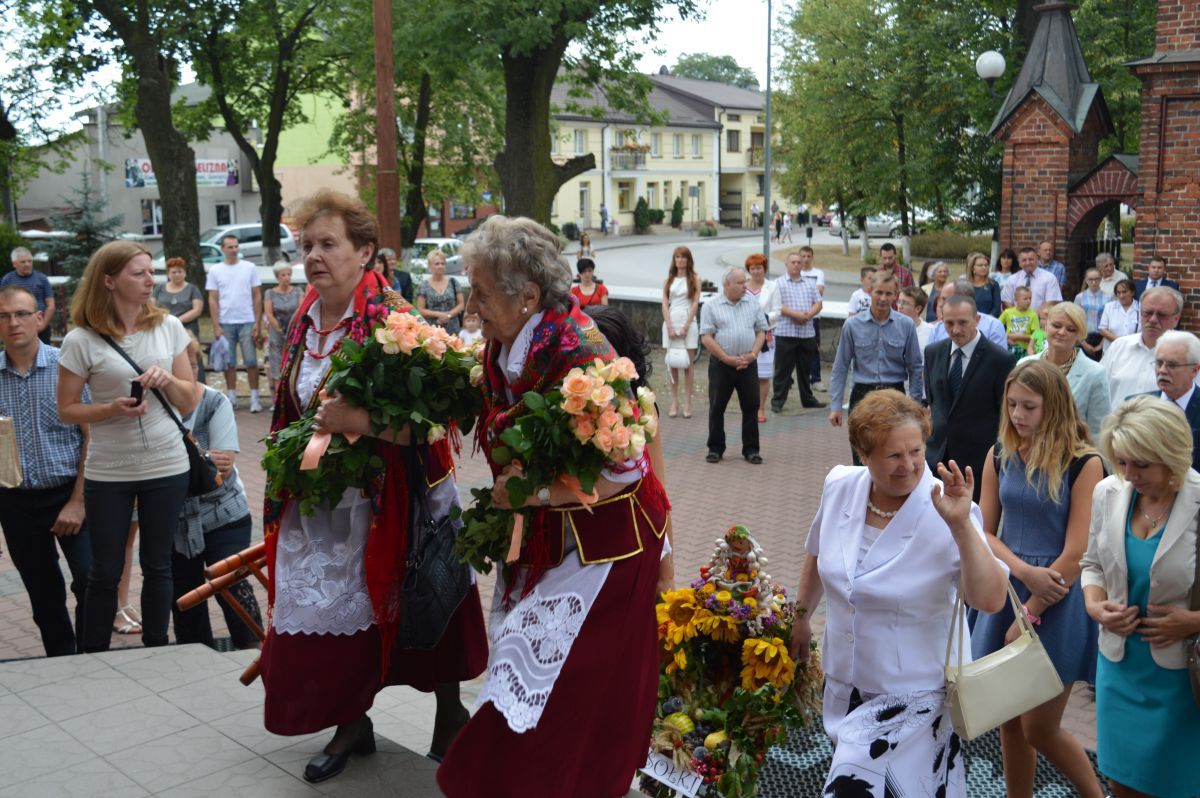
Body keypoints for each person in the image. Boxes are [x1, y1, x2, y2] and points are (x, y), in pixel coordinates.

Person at [437, 215, 670, 798]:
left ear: (528, 296)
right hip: (552, 539)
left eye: (481, 293)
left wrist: (530, 494)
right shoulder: (508, 347)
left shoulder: (582, 357)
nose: (471, 307)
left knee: (566, 691)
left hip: (607, 549)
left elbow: (625, 472)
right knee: (532, 682)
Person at [259, 189, 486, 783]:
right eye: (307, 245)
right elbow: (293, 408)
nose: (313, 256)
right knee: (332, 610)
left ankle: (449, 714)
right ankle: (351, 721)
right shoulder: (303, 317)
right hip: (324, 498)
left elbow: (438, 417)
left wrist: (360, 422)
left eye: (327, 244)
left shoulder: (395, 320)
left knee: (425, 594)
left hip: (397, 493)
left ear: (364, 252)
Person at [789, 390, 1008, 797]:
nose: (908, 465)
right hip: (845, 683)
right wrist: (801, 616)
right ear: (862, 453)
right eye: (893, 456)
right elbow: (818, 551)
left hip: (915, 698)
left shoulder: (947, 508)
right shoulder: (840, 486)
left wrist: (962, 526)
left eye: (916, 451)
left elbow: (991, 599)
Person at [56, 240, 198, 652]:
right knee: (104, 570)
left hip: (167, 464)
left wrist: (167, 380)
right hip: (109, 470)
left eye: (151, 271)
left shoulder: (168, 327)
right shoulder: (81, 339)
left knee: (158, 565)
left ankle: (156, 649)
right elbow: (66, 410)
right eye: (139, 273)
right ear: (109, 281)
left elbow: (189, 400)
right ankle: (93, 656)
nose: (150, 280)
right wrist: (109, 409)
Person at [973, 360, 1105, 798]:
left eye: (1029, 406)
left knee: (1040, 728)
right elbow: (983, 531)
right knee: (1009, 721)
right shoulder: (999, 454)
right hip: (1010, 586)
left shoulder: (1084, 462)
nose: (1017, 415)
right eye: (1011, 404)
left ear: (1055, 407)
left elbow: (1077, 552)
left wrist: (1030, 611)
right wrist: (1023, 572)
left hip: (1058, 596)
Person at [1082, 396, 1200, 798]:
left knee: (1177, 786)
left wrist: (1193, 622)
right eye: (1121, 461)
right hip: (1118, 667)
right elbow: (1092, 563)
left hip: (1183, 677)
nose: (1129, 474)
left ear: (1171, 454)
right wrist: (1094, 605)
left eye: (1142, 464)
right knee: (1122, 784)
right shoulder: (1108, 492)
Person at [0, 286, 90, 657]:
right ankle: (62, 661)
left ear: (39, 318)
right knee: (43, 594)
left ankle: (92, 654)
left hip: (71, 491)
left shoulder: (66, 366)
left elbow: (92, 436)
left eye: (22, 314)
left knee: (90, 579)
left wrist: (78, 502)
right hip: (15, 500)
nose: (13, 322)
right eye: (4, 316)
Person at [170, 335, 262, 650]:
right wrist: (203, 459)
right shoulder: (153, 409)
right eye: (182, 365)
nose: (190, 371)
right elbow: (208, 465)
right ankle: (196, 659)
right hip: (175, 521)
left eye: (194, 364)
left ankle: (255, 654)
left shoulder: (214, 401)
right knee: (185, 596)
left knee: (232, 587)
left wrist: (178, 466)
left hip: (225, 513)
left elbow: (219, 474)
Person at [583, 304, 674, 596]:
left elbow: (658, 490)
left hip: (630, 544)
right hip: (579, 548)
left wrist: (667, 574)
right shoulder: (569, 409)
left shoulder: (642, 410)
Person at [924, 293, 1016, 502]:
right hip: (937, 458)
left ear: (977, 319)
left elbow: (1004, 413)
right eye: (949, 323)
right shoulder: (933, 353)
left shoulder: (1000, 360)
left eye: (963, 322)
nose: (956, 330)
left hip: (977, 464)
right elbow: (934, 402)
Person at [828, 271, 923, 464]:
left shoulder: (906, 325)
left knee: (894, 452)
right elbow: (840, 367)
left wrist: (915, 404)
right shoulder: (852, 325)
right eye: (879, 292)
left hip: (894, 395)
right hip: (863, 394)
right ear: (870, 291)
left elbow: (915, 367)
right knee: (861, 454)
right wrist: (836, 406)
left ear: (896, 295)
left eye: (889, 293)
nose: (883, 298)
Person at [700, 265, 767, 464]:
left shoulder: (753, 303)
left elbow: (761, 331)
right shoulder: (711, 306)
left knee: (751, 406)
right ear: (727, 284)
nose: (745, 286)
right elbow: (706, 337)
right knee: (717, 406)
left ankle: (751, 449)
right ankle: (715, 448)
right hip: (722, 365)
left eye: (745, 282)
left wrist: (753, 355)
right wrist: (725, 357)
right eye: (740, 282)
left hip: (747, 364)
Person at [1020, 302, 1110, 441]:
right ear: (1046, 326)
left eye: (1071, 329)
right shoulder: (1024, 365)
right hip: (1027, 449)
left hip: (1073, 451)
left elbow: (1098, 431)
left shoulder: (1095, 373)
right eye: (1056, 326)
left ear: (1080, 335)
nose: (1062, 332)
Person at [206, 234, 264, 412]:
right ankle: (231, 397)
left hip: (247, 320)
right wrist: (216, 325)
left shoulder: (249, 267)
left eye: (236, 246)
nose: (234, 250)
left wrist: (257, 322)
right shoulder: (215, 270)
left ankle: (255, 398)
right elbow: (212, 299)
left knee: (251, 361)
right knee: (228, 363)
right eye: (230, 247)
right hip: (225, 322)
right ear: (222, 249)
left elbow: (257, 296)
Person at [1102, 286, 1185, 407]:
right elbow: (1097, 391)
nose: (1153, 319)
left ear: (1176, 319)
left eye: (1161, 315)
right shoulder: (1118, 347)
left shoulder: (1188, 356)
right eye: (1147, 313)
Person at [772, 250, 825, 412]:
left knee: (805, 370)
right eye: (793, 262)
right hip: (785, 333)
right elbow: (777, 305)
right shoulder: (777, 283)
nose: (796, 264)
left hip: (806, 333)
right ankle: (778, 402)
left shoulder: (810, 283)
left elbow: (818, 303)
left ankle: (807, 399)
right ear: (786, 264)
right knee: (782, 370)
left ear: (802, 265)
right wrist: (796, 315)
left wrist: (807, 315)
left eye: (798, 262)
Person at [1141, 330, 1200, 472]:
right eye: (1159, 363)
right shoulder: (1137, 406)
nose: (1162, 370)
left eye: (1172, 365)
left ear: (1195, 370)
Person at [661, 246, 700, 418]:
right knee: (673, 363)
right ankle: (674, 402)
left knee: (688, 364)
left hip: (688, 322)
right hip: (671, 321)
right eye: (677, 257)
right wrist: (670, 326)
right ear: (674, 260)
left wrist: (686, 326)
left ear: (688, 260)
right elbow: (664, 304)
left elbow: (695, 303)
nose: (680, 260)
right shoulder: (668, 280)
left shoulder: (695, 279)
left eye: (683, 257)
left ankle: (688, 403)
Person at [745, 253, 781, 424]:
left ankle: (760, 408)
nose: (756, 271)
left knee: (763, 375)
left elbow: (778, 311)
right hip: (745, 335)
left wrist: (762, 318)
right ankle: (747, 407)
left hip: (766, 335)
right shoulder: (743, 286)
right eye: (752, 268)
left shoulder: (772, 287)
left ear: (764, 269)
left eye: (759, 268)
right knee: (745, 374)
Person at [926, 278, 1009, 348]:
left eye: (946, 299)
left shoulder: (993, 327)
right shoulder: (937, 329)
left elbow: (998, 360)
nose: (941, 304)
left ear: (965, 299)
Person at [264, 261, 304, 401]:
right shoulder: (270, 293)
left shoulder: (298, 291)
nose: (287, 277)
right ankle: (278, 401)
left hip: (295, 333)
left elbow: (301, 310)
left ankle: (294, 400)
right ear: (277, 277)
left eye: (289, 274)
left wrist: (293, 330)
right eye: (283, 275)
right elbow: (269, 314)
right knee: (277, 369)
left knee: (295, 366)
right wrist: (281, 330)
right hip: (277, 335)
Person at [1, 246, 55, 344]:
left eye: (29, 261)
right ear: (14, 264)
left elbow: (51, 305)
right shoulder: (7, 280)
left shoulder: (42, 278)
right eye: (23, 262)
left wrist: (42, 325)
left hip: (41, 327)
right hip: (17, 326)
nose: (27, 264)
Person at [416, 250, 465, 335]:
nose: (440, 266)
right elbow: (421, 310)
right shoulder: (423, 286)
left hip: (453, 328)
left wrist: (448, 315)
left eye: (443, 263)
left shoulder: (453, 282)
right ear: (429, 265)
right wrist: (439, 314)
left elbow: (461, 305)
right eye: (437, 264)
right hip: (432, 329)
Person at [152, 257, 204, 337]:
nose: (177, 274)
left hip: (187, 329)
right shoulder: (159, 288)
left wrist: (177, 321)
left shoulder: (193, 289)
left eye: (180, 272)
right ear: (168, 274)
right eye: (174, 272)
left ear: (185, 273)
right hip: (163, 328)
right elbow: (151, 307)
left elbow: (197, 310)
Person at [1001, 246, 1062, 311]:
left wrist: (1033, 316)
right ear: (1019, 263)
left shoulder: (1049, 278)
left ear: (1037, 260)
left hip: (1040, 317)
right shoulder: (1012, 279)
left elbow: (1051, 301)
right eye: (1024, 260)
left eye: (1031, 259)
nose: (1028, 263)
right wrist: (1017, 315)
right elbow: (1006, 301)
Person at [1074, 268, 1110, 360]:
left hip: (1102, 337)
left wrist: (1102, 344)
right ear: (1086, 280)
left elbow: (1110, 321)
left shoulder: (1108, 298)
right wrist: (1083, 343)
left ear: (1101, 279)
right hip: (1084, 337)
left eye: (1096, 279)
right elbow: (1075, 320)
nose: (1094, 282)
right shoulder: (1080, 297)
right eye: (1090, 279)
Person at [1099, 278, 1139, 350]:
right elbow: (1103, 329)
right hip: (1112, 349)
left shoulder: (1140, 308)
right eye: (1118, 293)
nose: (1121, 296)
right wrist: (1120, 342)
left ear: (1132, 292)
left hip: (1133, 350)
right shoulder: (1109, 307)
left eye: (1124, 292)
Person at [1000, 285, 1041, 357]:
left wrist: (1018, 337)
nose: (1028, 301)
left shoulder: (1033, 315)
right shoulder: (1007, 312)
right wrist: (1006, 337)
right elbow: (997, 327)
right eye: (1025, 299)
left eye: (1030, 298)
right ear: (1016, 300)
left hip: (1025, 349)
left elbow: (1037, 335)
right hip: (1009, 347)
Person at [897, 285, 932, 351]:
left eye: (905, 303)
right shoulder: (891, 327)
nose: (900, 306)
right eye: (899, 302)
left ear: (918, 308)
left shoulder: (930, 331)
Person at [970, 252, 1003, 317]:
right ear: (972, 268)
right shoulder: (965, 285)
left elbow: (996, 308)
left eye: (986, 265)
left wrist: (986, 320)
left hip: (989, 320)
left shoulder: (993, 284)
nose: (984, 267)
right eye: (980, 265)